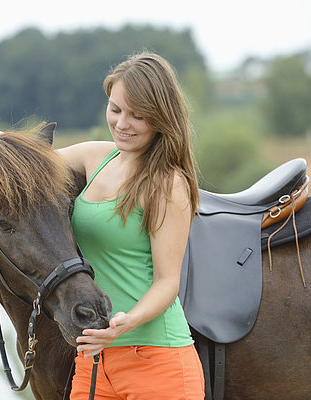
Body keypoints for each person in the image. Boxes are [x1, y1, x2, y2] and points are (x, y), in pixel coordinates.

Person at [57, 52, 205, 400]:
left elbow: (168, 283)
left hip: (156, 361)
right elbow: (31, 161)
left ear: (160, 119)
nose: (122, 123)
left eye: (138, 115)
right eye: (116, 109)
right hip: (94, 362)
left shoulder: (167, 184)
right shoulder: (97, 156)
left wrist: (126, 322)